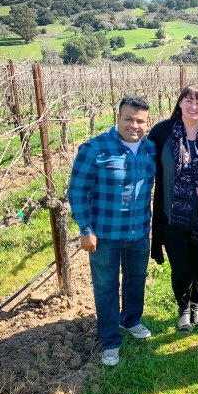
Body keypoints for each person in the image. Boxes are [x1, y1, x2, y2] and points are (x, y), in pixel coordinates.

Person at [68, 95, 156, 367]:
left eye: (140, 121)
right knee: (106, 287)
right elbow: (77, 191)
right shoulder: (95, 149)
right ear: (118, 117)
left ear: (147, 122)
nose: (134, 125)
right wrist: (85, 229)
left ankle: (131, 321)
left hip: (139, 231)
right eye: (128, 119)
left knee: (136, 278)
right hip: (104, 236)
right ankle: (110, 339)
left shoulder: (150, 149)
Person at [148, 84, 198, 332]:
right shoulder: (162, 132)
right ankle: (183, 308)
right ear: (179, 103)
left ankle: (197, 305)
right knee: (180, 267)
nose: (193, 107)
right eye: (189, 101)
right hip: (173, 216)